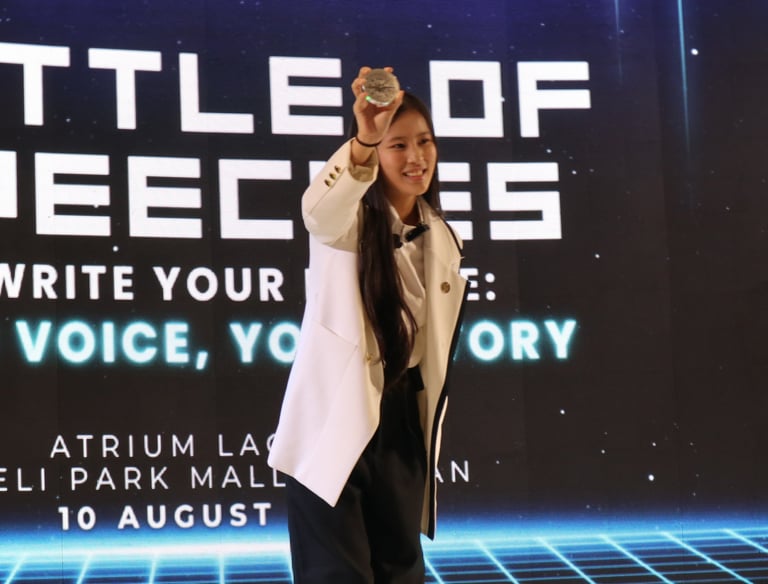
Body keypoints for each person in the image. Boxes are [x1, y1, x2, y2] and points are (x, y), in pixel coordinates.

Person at [268, 66, 468, 583]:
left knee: (401, 572)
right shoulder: (347, 222)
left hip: (400, 423)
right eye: (398, 145)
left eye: (424, 142)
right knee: (335, 574)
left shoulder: (443, 239)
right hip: (334, 418)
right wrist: (364, 141)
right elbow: (319, 212)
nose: (416, 157)